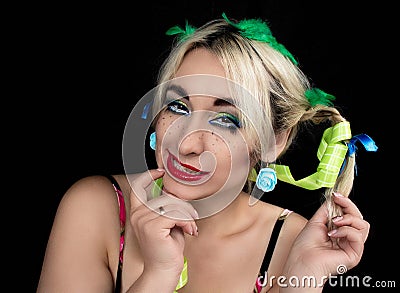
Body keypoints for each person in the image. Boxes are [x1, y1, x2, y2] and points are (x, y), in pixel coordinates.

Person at [37, 13, 377, 293]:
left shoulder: (293, 242)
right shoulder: (98, 209)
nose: (186, 145)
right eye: (178, 107)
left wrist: (303, 279)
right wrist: (158, 274)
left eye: (227, 120)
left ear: (272, 141)